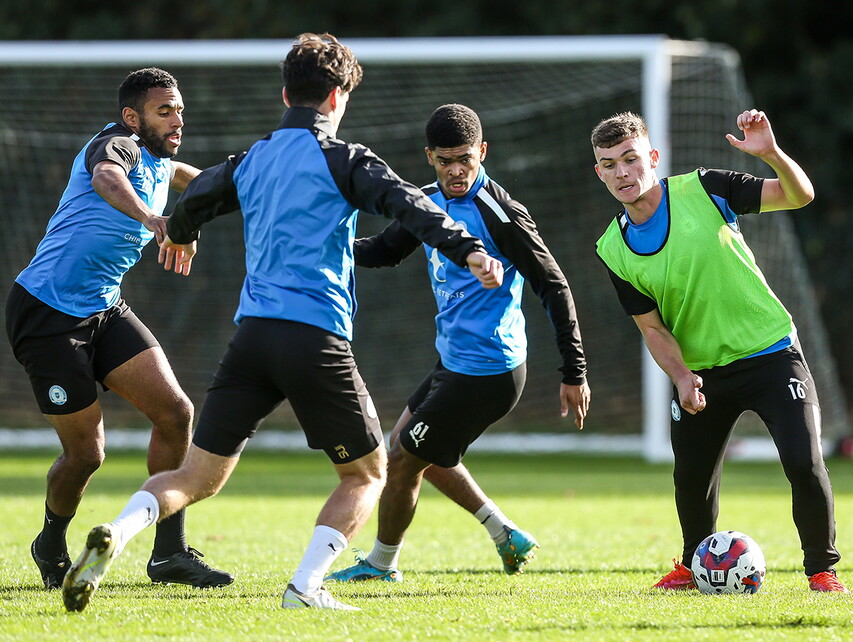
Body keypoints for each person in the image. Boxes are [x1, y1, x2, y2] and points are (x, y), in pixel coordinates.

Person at [60, 33, 503, 613]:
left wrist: (183, 233)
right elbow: (409, 205)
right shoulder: (344, 158)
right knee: (368, 474)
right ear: (337, 96)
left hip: (251, 339)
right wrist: (466, 246)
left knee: (196, 475)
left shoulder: (253, 157)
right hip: (315, 337)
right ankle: (306, 586)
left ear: (285, 92)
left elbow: (196, 201)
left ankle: (116, 533)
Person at [326, 104, 590, 584]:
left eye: (465, 158)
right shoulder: (424, 202)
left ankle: (382, 565)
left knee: (403, 461)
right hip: (453, 363)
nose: (455, 170)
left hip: (489, 371)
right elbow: (384, 251)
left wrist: (574, 370)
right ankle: (505, 532)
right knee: (414, 451)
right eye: (445, 160)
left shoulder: (501, 213)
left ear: (482, 152)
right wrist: (326, 247)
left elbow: (553, 284)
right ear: (429, 157)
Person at [591, 109, 848, 593]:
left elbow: (799, 195)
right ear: (599, 171)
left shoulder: (705, 187)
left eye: (630, 158)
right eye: (609, 164)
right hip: (703, 372)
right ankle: (693, 565)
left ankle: (821, 571)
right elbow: (653, 329)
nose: (622, 172)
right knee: (691, 475)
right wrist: (682, 376)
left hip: (770, 353)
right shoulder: (612, 248)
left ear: (652, 157)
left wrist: (770, 153)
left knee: (803, 460)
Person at [5, 67, 232, 592]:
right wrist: (158, 223)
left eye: (179, 109)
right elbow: (109, 177)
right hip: (46, 313)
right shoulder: (117, 145)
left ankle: (168, 554)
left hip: (104, 309)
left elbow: (189, 177)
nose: (177, 119)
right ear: (133, 117)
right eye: (164, 111)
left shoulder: (160, 155)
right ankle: (50, 539)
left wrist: (249, 187)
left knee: (176, 413)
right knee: (87, 455)